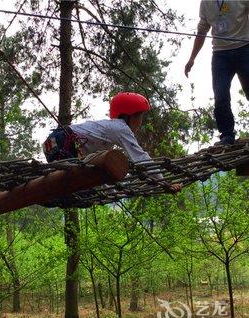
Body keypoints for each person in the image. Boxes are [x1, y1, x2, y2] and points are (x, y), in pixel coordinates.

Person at [43, 92, 183, 193]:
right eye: (139, 117)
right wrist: (164, 183)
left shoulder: (106, 133)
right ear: (128, 116)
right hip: (64, 143)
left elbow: (96, 166)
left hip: (54, 144)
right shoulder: (121, 128)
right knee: (79, 183)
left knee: (85, 176)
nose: (140, 122)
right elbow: (141, 158)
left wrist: (110, 191)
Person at [185, 0, 249, 145]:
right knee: (220, 96)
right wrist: (192, 58)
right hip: (220, 54)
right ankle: (227, 135)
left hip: (244, 48)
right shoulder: (206, 3)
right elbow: (202, 30)